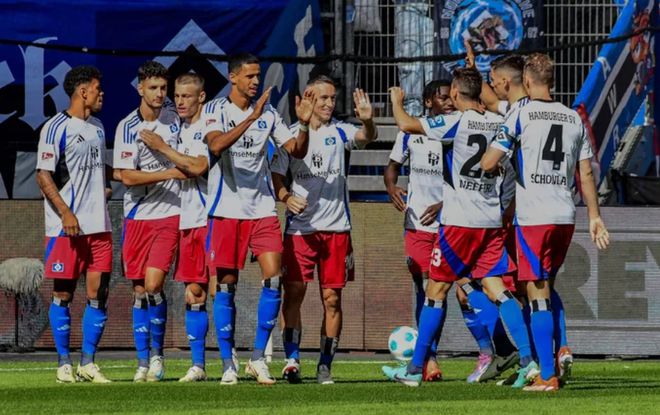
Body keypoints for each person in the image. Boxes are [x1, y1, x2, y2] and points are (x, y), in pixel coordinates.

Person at [382, 68, 533, 387]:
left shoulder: (456, 122)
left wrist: (396, 101)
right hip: (490, 220)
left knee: (435, 292)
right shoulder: (499, 122)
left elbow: (406, 124)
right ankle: (527, 359)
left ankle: (414, 370)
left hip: (459, 223)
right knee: (497, 288)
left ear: (454, 93)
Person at [481, 53, 610, 391]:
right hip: (565, 216)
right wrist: (595, 217)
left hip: (534, 217)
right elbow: (585, 173)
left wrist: (495, 158)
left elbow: (489, 161)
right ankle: (554, 356)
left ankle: (547, 375)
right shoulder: (573, 117)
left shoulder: (520, 114)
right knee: (544, 289)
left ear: (526, 81)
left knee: (536, 293)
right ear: (551, 80)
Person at [202, 53, 315, 385]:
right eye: (249, 76)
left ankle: (256, 358)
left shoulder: (269, 112)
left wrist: (303, 124)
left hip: (263, 208)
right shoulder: (215, 110)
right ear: (233, 77)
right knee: (226, 284)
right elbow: (215, 145)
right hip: (225, 210)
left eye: (257, 75)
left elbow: (296, 150)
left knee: (274, 277)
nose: (255, 81)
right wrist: (251, 118)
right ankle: (228, 362)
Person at [272, 76, 377, 385]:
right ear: (308, 99)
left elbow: (366, 137)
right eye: (323, 98)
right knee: (294, 293)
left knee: (332, 298)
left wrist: (368, 122)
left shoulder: (340, 131)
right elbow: (276, 176)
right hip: (300, 231)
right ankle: (292, 360)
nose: (330, 103)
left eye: (332, 98)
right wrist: (286, 197)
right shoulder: (289, 135)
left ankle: (325, 365)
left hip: (336, 230)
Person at [36, 65, 113, 383]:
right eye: (97, 89)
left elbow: (97, 169)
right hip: (66, 228)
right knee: (63, 293)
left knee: (99, 293)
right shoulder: (55, 127)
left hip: (100, 226)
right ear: (83, 91)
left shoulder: (98, 127)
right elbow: (43, 175)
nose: (101, 94)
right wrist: (66, 213)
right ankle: (64, 363)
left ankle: (88, 363)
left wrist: (104, 188)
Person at [113, 61, 186, 382]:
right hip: (136, 216)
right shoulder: (127, 126)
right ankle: (142, 361)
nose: (159, 93)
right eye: (153, 88)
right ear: (140, 88)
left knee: (155, 285)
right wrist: (170, 172)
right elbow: (127, 176)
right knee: (140, 290)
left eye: (163, 88)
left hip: (169, 213)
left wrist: (167, 151)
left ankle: (157, 356)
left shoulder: (176, 119)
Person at [140, 72, 210, 382]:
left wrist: (163, 148)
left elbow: (197, 167)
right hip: (186, 219)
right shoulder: (178, 127)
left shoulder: (209, 127)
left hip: (210, 218)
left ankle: (227, 361)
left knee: (217, 289)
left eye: (186, 96)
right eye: (177, 96)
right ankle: (197, 364)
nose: (180, 101)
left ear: (201, 97)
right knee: (193, 292)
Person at [383, 79, 451, 382]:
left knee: (444, 290)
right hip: (417, 223)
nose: (449, 103)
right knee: (425, 288)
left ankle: (490, 351)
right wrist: (391, 187)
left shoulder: (455, 131)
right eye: (443, 98)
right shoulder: (411, 133)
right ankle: (430, 359)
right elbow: (392, 167)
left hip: (450, 222)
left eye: (451, 98)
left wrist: (445, 203)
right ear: (427, 102)